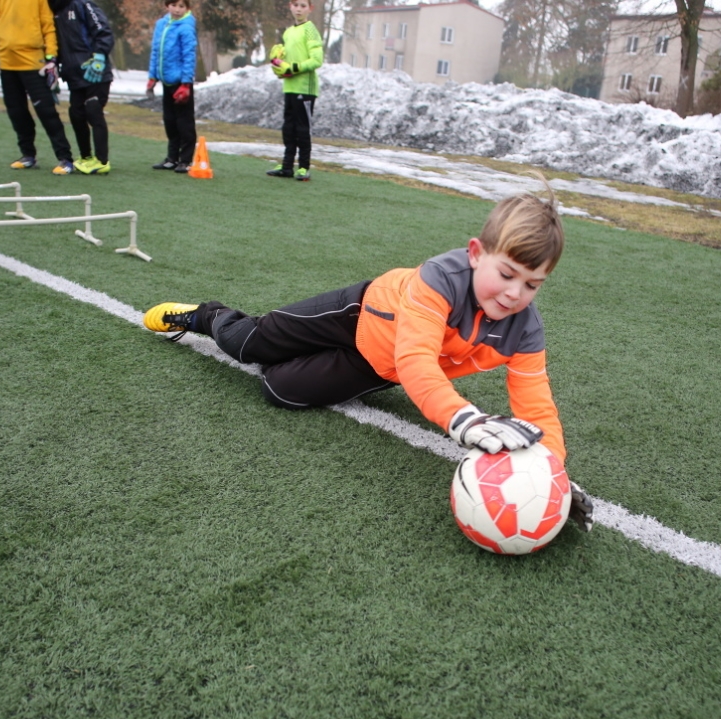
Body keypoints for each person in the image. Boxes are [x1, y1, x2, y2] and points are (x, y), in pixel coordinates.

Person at [142, 182, 595, 532]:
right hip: (357, 316)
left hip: (377, 365)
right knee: (248, 346)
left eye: (533, 284)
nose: (516, 293)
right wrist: (466, 419)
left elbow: (537, 409)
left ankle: (292, 358)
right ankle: (206, 315)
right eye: (507, 274)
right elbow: (418, 359)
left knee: (278, 390)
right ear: (477, 254)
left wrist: (551, 476)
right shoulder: (440, 279)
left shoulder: (526, 331)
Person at [0, 0, 76, 174]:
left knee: (46, 111)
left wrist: (51, 58)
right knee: (16, 111)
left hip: (33, 62)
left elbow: (48, 25)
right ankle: (28, 155)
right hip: (6, 62)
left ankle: (65, 158)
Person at [49, 0, 115, 175]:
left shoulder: (82, 4)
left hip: (95, 71)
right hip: (74, 74)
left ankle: (102, 161)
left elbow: (103, 31)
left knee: (93, 110)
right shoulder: (51, 10)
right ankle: (86, 157)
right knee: (76, 114)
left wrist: (100, 56)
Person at [265, 0, 322, 181]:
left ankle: (304, 167)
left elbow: (316, 60)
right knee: (288, 127)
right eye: (296, 5)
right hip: (289, 87)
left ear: (310, 9)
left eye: (303, 6)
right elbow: (284, 65)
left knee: (302, 129)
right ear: (290, 6)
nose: (299, 9)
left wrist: (292, 68)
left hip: (305, 88)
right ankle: (287, 165)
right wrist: (277, 64)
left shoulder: (310, 29)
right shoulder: (289, 32)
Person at [147, 0, 197, 173]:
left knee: (184, 122)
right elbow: (156, 52)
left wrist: (185, 83)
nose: (177, 10)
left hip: (180, 82)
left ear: (187, 8)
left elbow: (189, 56)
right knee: (170, 121)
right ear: (167, 6)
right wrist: (152, 76)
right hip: (166, 80)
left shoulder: (186, 28)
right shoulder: (161, 25)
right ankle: (172, 158)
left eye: (181, 6)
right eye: (174, 5)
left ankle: (186, 159)